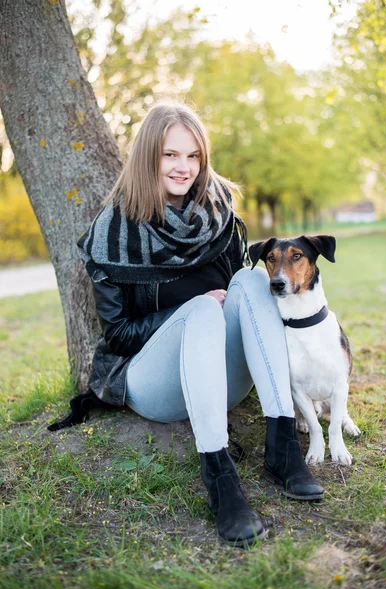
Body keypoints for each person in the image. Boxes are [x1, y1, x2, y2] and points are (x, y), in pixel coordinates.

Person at [71, 101, 324, 546]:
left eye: (193, 156)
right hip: (156, 383)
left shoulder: (220, 210)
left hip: (222, 376)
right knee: (203, 307)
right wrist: (192, 306)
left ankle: (283, 448)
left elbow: (247, 307)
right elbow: (119, 334)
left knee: (250, 278)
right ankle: (220, 477)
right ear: (149, 155)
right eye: (170, 155)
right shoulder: (114, 231)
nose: (183, 167)